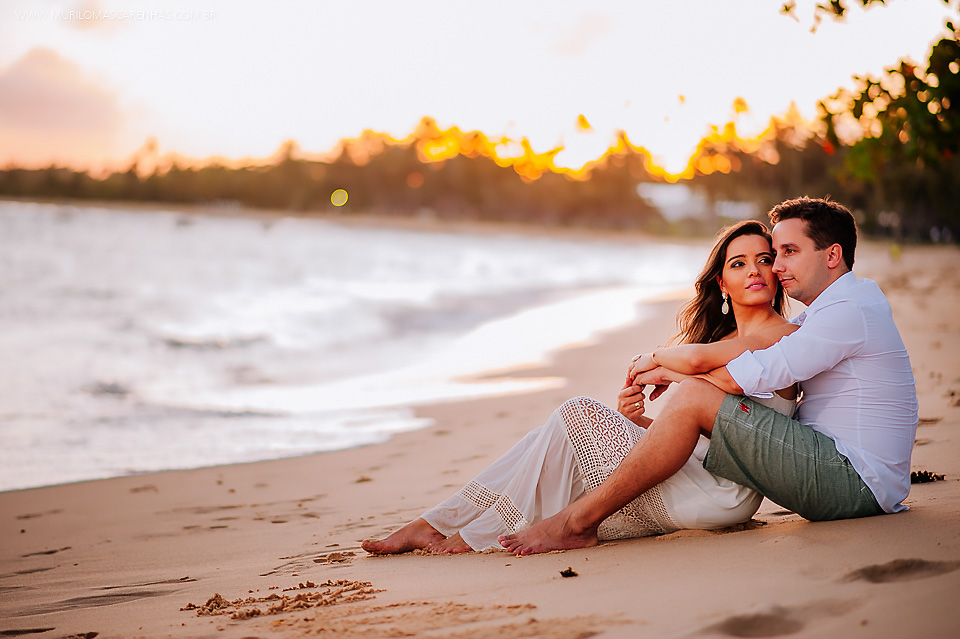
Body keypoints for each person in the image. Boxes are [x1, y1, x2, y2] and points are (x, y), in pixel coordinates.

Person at [499, 196, 919, 556]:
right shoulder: (829, 312)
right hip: (848, 473)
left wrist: (661, 365)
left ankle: (577, 521)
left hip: (852, 480)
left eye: (787, 252)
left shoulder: (847, 312)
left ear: (832, 255)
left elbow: (742, 378)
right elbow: (729, 409)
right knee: (594, 418)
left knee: (697, 393)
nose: (777, 267)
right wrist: (665, 399)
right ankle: (486, 515)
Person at [362, 220, 799, 554]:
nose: (754, 270)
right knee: (555, 437)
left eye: (764, 259)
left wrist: (654, 363)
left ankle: (459, 527)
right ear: (721, 284)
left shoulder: (780, 334)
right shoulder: (724, 342)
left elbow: (704, 373)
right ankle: (450, 525)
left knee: (577, 413)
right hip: (698, 480)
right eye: (738, 264)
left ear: (778, 272)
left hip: (723, 495)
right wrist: (640, 423)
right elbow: (703, 435)